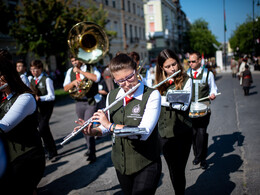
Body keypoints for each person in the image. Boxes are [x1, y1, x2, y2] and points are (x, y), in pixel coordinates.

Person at [75, 53, 162, 195]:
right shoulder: (112, 95)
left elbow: (143, 132)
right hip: (121, 163)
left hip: (146, 162)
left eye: (130, 77)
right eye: (120, 81)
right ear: (114, 80)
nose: (126, 84)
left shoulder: (152, 95)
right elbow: (105, 128)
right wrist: (93, 131)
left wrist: (109, 125)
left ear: (136, 71)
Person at [0, 56, 45, 194]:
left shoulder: (25, 98)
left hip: (26, 157)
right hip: (9, 158)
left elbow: (3, 126)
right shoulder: (2, 99)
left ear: (5, 76)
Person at [155, 49, 193, 195]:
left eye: (174, 64)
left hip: (182, 132)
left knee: (179, 169)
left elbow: (182, 104)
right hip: (164, 133)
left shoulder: (187, 80)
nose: (172, 69)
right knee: (172, 169)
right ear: (161, 68)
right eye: (168, 67)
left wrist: (159, 99)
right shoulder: (158, 83)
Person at [63, 55, 101, 162]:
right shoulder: (70, 71)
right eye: (72, 60)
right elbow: (65, 88)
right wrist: (73, 83)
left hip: (90, 101)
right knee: (82, 127)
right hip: (79, 102)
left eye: (75, 60)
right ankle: (89, 148)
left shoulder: (90, 67)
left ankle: (92, 153)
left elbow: (96, 78)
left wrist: (80, 71)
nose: (74, 62)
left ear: (80, 59)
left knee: (87, 125)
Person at [187, 52, 218, 169]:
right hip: (190, 109)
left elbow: (213, 88)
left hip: (203, 107)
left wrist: (213, 94)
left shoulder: (208, 74)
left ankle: (202, 158)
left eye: (193, 61)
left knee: (202, 133)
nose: (190, 64)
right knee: (193, 134)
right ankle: (197, 155)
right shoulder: (186, 74)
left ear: (200, 61)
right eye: (189, 61)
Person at [30, 59, 57, 160]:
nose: (34, 71)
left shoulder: (47, 79)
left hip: (46, 107)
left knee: (42, 128)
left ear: (40, 69)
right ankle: (52, 150)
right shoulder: (30, 80)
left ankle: (49, 150)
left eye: (36, 69)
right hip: (37, 108)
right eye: (32, 69)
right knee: (45, 129)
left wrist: (40, 98)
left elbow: (52, 96)